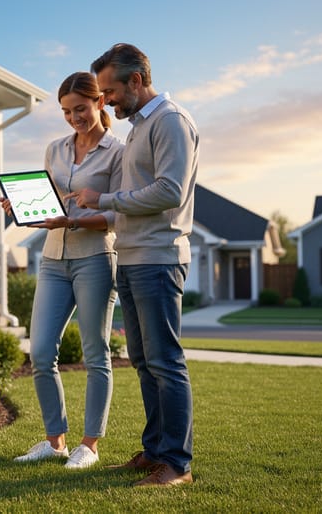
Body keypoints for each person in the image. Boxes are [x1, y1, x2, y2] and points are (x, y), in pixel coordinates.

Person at [70, 43, 199, 486]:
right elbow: (125, 204)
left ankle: (176, 464)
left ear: (137, 81)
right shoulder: (138, 131)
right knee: (144, 362)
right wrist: (78, 215)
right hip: (131, 256)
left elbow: (169, 191)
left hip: (158, 258)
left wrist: (104, 198)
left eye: (110, 91)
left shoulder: (170, 122)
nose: (105, 101)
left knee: (166, 363)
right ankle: (154, 451)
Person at [1, 71, 123, 469]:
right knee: (39, 351)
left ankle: (89, 444)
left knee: (94, 353)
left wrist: (71, 221)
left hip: (95, 259)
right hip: (53, 259)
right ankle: (54, 440)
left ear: (100, 103)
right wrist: (21, 207)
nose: (74, 118)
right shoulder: (54, 149)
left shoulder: (117, 152)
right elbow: (50, 203)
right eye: (67, 112)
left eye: (81, 109)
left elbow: (119, 214)